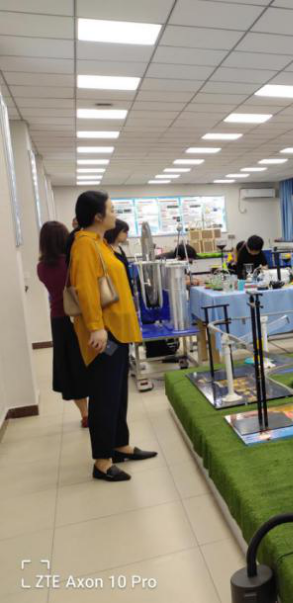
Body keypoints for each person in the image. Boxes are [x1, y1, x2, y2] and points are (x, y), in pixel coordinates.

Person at [70, 190, 156, 482]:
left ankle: (120, 445)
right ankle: (102, 461)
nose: (115, 214)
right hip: (105, 334)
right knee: (104, 398)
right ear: (97, 216)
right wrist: (96, 327)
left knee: (118, 395)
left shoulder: (100, 243)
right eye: (111, 210)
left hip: (117, 331)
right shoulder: (85, 245)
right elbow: (86, 289)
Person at [36, 221, 90, 428]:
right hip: (80, 318)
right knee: (90, 361)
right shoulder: (71, 262)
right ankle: (98, 407)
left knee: (70, 368)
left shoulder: (41, 268)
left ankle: (85, 414)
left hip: (58, 321)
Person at [104, 219, 133, 294]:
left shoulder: (119, 248)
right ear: (115, 231)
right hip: (116, 290)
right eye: (124, 231)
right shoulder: (107, 250)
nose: (127, 234)